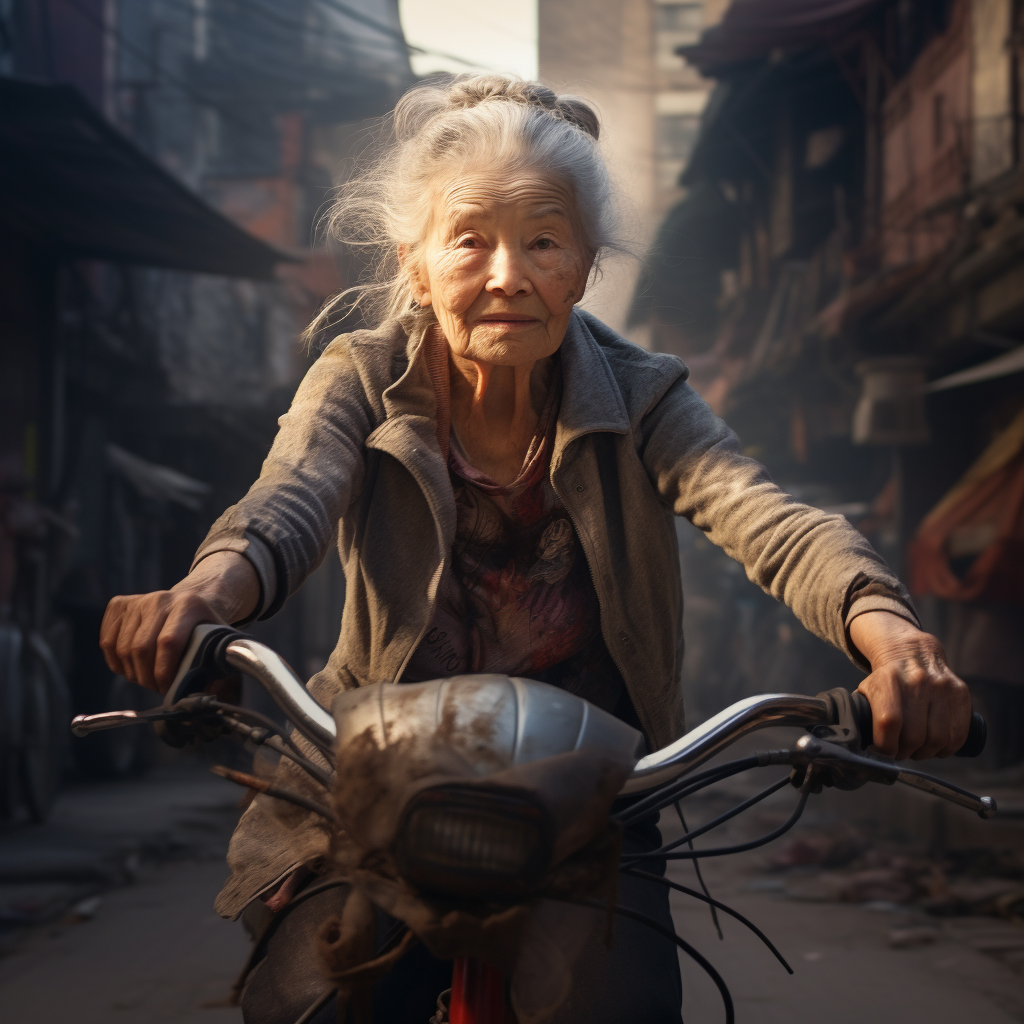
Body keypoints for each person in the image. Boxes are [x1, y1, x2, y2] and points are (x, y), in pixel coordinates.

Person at [99, 75, 971, 1022]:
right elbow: (289, 502)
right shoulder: (361, 374)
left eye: (544, 240)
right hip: (383, 776)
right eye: (470, 239)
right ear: (417, 261)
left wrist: (895, 641)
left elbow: (767, 518)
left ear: (586, 265)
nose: (508, 273)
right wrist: (205, 594)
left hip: (591, 795)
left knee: (624, 1005)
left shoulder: (645, 397)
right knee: (323, 1001)